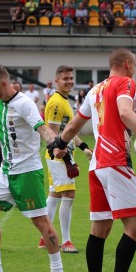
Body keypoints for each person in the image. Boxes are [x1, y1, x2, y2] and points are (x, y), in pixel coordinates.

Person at [47, 48, 136, 272]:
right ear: (126, 63)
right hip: (116, 162)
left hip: (97, 167)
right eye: (134, 65)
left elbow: (73, 125)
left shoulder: (95, 89)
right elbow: (125, 112)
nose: (134, 70)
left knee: (99, 230)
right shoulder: (125, 82)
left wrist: (59, 142)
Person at [0, 65, 66, 272]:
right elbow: (0, 130)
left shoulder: (24, 104)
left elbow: (42, 129)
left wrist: (57, 144)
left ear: (3, 84)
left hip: (27, 173)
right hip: (6, 171)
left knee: (41, 223)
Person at [37, 65, 93, 254]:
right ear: (56, 81)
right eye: (65, 79)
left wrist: (83, 146)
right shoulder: (56, 102)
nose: (69, 81)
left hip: (61, 155)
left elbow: (67, 130)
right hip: (59, 156)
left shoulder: (64, 100)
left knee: (54, 196)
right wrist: (67, 157)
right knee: (68, 196)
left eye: (71, 78)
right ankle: (66, 241)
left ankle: (45, 236)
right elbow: (52, 133)